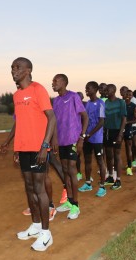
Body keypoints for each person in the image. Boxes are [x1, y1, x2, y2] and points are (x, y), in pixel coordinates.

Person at [0, 57, 56, 252]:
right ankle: (35, 225)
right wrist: (15, 146)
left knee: (39, 189)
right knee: (29, 187)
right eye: (12, 68)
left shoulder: (38, 89)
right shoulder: (17, 95)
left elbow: (52, 118)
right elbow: (20, 122)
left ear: (28, 70)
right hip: (24, 148)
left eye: (18, 67)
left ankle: (46, 234)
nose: (14, 70)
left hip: (38, 148)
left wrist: (45, 146)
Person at [52, 74, 88, 220]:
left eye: (55, 81)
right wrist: (54, 139)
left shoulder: (73, 97)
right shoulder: (56, 101)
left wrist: (81, 137)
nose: (53, 83)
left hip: (73, 139)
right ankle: (69, 200)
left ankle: (76, 206)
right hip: (62, 141)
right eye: (53, 81)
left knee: (72, 170)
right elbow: (54, 121)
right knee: (65, 170)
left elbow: (85, 117)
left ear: (64, 83)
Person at [78, 81, 107, 197]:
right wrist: (84, 133)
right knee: (87, 160)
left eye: (88, 88)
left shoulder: (100, 103)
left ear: (95, 89)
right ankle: (88, 183)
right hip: (88, 138)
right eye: (86, 88)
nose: (86, 90)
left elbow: (101, 122)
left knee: (100, 161)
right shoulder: (88, 103)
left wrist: (90, 133)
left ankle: (102, 186)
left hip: (97, 138)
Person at [104, 84, 126, 190]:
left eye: (108, 90)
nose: (106, 91)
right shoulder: (106, 103)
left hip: (117, 131)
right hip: (107, 131)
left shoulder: (121, 102)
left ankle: (118, 180)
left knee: (117, 155)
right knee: (109, 155)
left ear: (114, 90)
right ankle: (111, 177)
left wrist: (120, 134)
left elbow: (124, 119)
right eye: (106, 90)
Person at [123, 89, 136, 176]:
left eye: (130, 94)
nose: (128, 96)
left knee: (128, 147)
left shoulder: (134, 106)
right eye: (127, 94)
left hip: (128, 128)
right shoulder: (120, 104)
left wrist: (127, 122)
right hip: (119, 129)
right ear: (124, 95)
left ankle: (129, 167)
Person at [75, 91, 87, 182]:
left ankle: (88, 176)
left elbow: (86, 120)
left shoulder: (85, 106)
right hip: (75, 135)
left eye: (80, 97)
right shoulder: (72, 107)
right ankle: (78, 173)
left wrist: (83, 134)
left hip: (84, 134)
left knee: (87, 155)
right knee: (77, 156)